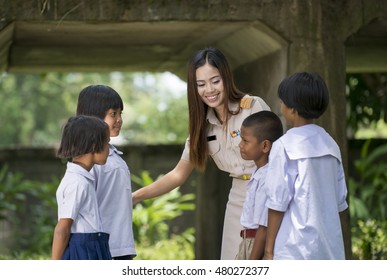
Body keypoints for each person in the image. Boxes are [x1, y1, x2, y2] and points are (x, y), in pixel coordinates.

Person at [132, 47, 271, 260]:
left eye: (215, 81)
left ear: (226, 77)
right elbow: (178, 174)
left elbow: (278, 158)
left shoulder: (252, 107)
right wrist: (135, 197)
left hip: (268, 194)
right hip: (238, 198)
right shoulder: (202, 126)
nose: (209, 90)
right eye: (201, 84)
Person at [263, 72, 349, 260]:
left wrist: (268, 251)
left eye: (283, 101)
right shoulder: (331, 145)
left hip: (293, 250)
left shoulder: (283, 146)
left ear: (292, 109)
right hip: (329, 250)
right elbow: (340, 201)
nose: (281, 106)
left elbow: (277, 203)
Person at [76, 85, 136, 260]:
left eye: (120, 114)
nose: (119, 119)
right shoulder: (89, 160)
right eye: (113, 114)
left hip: (120, 247)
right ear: (93, 116)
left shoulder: (113, 155)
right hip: (103, 250)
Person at [51, 115, 111, 260]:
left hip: (93, 246)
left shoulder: (83, 179)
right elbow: (62, 228)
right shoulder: (77, 182)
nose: (109, 149)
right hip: (84, 251)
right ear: (93, 146)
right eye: (107, 143)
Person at [235, 111, 283, 260]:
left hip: (256, 244)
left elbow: (263, 228)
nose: (240, 145)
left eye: (245, 141)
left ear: (265, 146)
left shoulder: (268, 177)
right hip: (247, 241)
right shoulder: (259, 172)